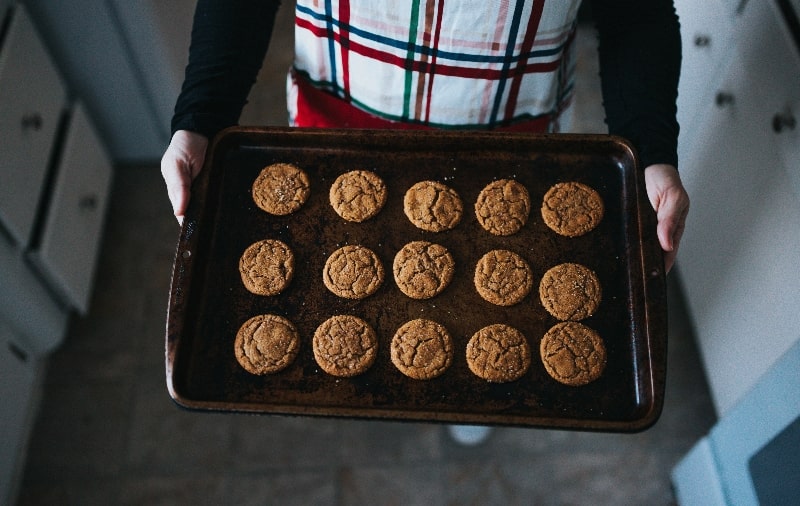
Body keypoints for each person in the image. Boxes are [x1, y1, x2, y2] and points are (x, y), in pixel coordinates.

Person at [161, 0, 689, 445]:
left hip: (513, 144)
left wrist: (651, 147)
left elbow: (637, 11)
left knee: (477, 351)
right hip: (338, 127)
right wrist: (202, 116)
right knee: (350, 261)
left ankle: (472, 404)